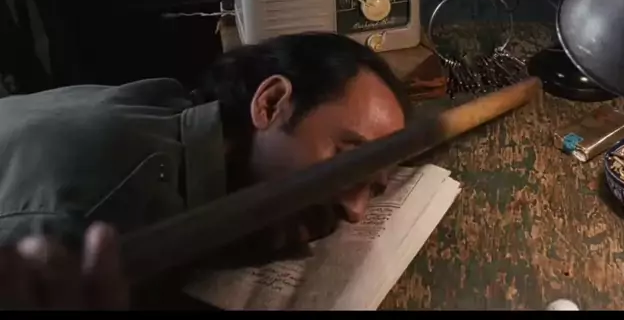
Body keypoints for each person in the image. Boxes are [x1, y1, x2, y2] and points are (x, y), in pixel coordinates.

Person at [0, 32, 410, 309]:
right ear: (270, 103)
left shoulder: (178, 111)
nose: (355, 211)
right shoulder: (93, 213)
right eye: (349, 159)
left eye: (373, 189)